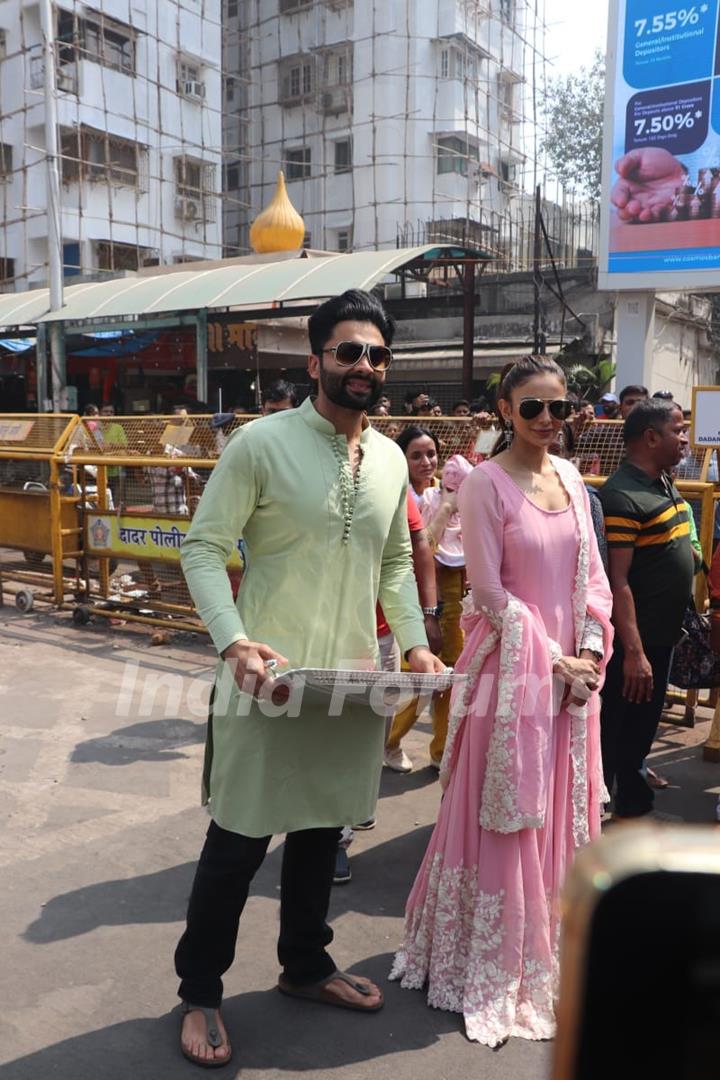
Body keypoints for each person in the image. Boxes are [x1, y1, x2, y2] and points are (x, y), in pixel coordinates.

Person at [175, 289, 443, 1067]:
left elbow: (395, 562)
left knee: (322, 832)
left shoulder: (392, 457)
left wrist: (418, 646)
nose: (365, 366)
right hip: (269, 681)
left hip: (350, 682)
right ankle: (200, 993)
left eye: (377, 354)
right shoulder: (260, 443)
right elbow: (203, 548)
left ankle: (304, 965)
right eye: (350, 351)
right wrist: (234, 644)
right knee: (237, 842)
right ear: (316, 359)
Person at [390, 355, 613, 1046]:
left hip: (571, 681)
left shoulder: (572, 479)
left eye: (558, 407)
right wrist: (552, 658)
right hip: (514, 675)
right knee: (509, 818)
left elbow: (592, 577)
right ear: (504, 411)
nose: (547, 420)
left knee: (562, 812)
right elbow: (488, 594)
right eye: (532, 408)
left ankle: (545, 947)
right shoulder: (486, 484)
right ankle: (485, 959)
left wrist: (592, 652)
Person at [598, 399, 694, 821]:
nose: (685, 439)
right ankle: (597, 808)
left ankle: (632, 802)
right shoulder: (622, 495)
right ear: (651, 437)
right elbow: (617, 580)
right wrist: (634, 652)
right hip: (635, 643)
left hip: (661, 636)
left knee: (640, 727)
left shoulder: (661, 480)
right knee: (616, 727)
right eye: (679, 430)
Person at [384, 426, 445, 771]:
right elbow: (423, 548)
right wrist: (426, 613)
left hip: (445, 595)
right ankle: (389, 741)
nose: (426, 462)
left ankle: (441, 751)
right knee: (415, 681)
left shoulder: (441, 493)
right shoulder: (399, 495)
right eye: (416, 455)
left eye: (431, 454)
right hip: (406, 602)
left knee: (443, 679)